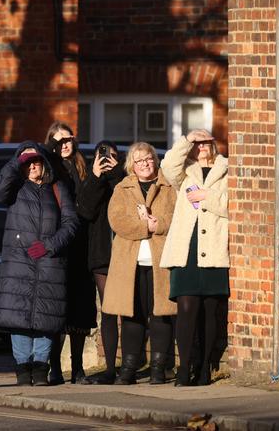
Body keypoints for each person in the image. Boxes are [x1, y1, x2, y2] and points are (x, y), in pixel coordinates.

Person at [0, 141, 79, 386]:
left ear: (44, 164)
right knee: (18, 318)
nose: (31, 167)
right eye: (26, 163)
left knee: (45, 318)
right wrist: (16, 160)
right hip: (19, 263)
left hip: (50, 262)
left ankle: (41, 368)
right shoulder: (15, 187)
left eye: (35, 162)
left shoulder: (58, 188)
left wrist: (50, 246)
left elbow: (71, 224)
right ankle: (22, 368)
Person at [102, 142, 177, 385]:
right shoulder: (122, 189)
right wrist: (146, 226)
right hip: (129, 265)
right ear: (131, 165)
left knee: (160, 316)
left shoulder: (169, 187)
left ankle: (158, 368)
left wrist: (161, 224)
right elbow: (117, 221)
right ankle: (129, 369)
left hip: (160, 263)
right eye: (139, 160)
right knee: (132, 318)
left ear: (155, 160)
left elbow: (177, 217)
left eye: (148, 159)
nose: (144, 164)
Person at [159, 129, 229, 387]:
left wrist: (206, 197)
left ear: (213, 144)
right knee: (187, 309)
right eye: (196, 144)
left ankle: (204, 370)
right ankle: (184, 367)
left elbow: (232, 205)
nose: (201, 147)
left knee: (210, 313)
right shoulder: (185, 171)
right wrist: (187, 139)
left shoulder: (228, 170)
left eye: (204, 143)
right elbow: (167, 165)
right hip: (186, 250)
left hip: (214, 249)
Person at [44, 121, 98, 385]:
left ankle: (77, 369)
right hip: (59, 245)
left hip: (81, 247)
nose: (64, 145)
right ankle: (54, 368)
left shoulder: (82, 165)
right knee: (57, 312)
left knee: (80, 312)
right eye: (58, 141)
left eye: (68, 140)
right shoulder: (49, 167)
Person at [76, 140, 125, 384]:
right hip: (102, 254)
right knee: (108, 311)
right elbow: (85, 211)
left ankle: (128, 365)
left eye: (112, 156)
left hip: (126, 253)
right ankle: (109, 369)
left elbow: (129, 200)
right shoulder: (92, 181)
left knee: (129, 310)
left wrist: (117, 172)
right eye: (103, 157)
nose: (107, 160)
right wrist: (96, 176)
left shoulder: (123, 179)